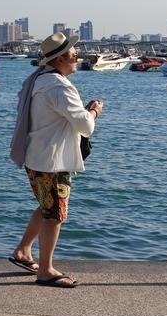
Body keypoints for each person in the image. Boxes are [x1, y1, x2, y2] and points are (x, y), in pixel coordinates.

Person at [8, 32, 103, 288]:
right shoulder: (59, 87)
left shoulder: (39, 79)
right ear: (61, 59)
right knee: (55, 214)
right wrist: (94, 111)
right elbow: (85, 126)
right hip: (52, 161)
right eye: (74, 55)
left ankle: (23, 251)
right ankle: (46, 270)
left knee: (46, 206)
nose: (77, 58)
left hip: (36, 156)